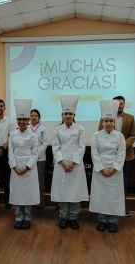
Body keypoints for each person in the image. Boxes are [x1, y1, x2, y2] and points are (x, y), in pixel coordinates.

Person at [51, 94, 89, 230]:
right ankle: (63, 217)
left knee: (74, 193)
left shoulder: (80, 129)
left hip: (75, 166)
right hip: (61, 166)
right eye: (66, 113)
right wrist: (63, 162)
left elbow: (81, 147)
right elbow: (55, 147)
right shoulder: (57, 130)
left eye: (70, 114)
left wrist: (72, 162)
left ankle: (73, 218)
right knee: (63, 193)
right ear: (62, 115)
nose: (68, 116)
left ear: (74, 115)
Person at [90, 100, 126, 233]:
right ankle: (102, 220)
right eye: (106, 121)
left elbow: (121, 153)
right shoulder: (96, 136)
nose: (109, 123)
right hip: (100, 170)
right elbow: (94, 153)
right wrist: (101, 168)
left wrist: (114, 168)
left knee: (113, 196)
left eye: (111, 121)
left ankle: (113, 221)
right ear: (102, 122)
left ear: (114, 122)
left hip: (115, 171)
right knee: (101, 195)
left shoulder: (120, 136)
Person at [98, 95, 135, 217]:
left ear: (124, 105)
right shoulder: (104, 118)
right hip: (106, 158)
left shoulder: (130, 118)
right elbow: (100, 135)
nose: (119, 105)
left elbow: (133, 135)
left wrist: (122, 146)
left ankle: (122, 208)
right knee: (106, 184)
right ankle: (105, 209)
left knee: (122, 182)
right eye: (117, 103)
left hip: (124, 156)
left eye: (121, 103)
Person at [9, 99, 39, 229]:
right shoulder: (13, 135)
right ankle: (18, 216)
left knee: (27, 193)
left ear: (28, 121)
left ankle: (27, 217)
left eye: (24, 119)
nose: (21, 122)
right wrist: (15, 166)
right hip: (16, 169)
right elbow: (10, 151)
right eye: (19, 119)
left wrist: (27, 167)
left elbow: (35, 153)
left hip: (29, 170)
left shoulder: (33, 136)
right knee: (17, 193)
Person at [0, 99, 16, 209]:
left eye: (1, 106)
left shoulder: (10, 121)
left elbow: (11, 137)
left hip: (5, 152)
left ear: (4, 108)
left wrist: (2, 150)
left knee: (7, 177)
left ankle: (8, 200)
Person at [29, 109, 48, 209]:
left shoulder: (43, 129)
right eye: (32, 115)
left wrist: (36, 155)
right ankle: (30, 201)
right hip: (28, 159)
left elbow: (44, 143)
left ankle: (40, 202)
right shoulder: (26, 128)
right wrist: (31, 156)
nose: (34, 117)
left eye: (36, 115)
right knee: (29, 181)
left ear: (39, 118)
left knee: (40, 181)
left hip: (40, 159)